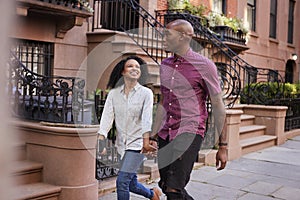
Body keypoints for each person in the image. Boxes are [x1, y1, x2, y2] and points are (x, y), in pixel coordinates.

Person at [152, 19, 228, 199]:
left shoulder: (205, 65)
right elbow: (164, 101)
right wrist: (154, 133)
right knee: (165, 184)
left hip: (190, 130)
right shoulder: (165, 65)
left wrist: (223, 146)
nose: (163, 38)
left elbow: (218, 105)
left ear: (184, 37)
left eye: (167, 35)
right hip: (167, 131)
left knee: (174, 189)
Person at [97, 55, 161, 200]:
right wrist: (101, 140)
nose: (135, 69)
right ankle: (153, 195)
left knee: (121, 182)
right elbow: (107, 118)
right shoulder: (114, 94)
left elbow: (146, 120)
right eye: (130, 66)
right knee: (130, 183)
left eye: (137, 67)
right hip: (121, 145)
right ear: (122, 72)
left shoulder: (146, 93)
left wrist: (146, 142)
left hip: (138, 145)